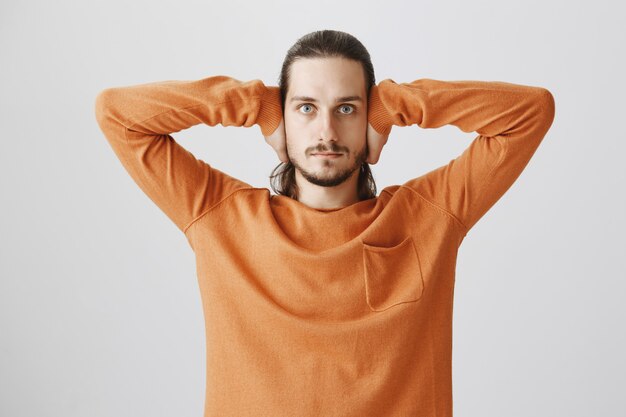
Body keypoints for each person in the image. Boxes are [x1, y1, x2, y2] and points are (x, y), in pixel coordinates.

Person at [94, 29, 555, 417]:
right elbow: (118, 114)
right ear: (285, 121)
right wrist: (254, 104)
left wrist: (396, 103)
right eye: (306, 108)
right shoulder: (219, 216)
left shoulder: (427, 216)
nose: (327, 132)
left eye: (348, 109)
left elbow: (530, 112)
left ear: (368, 121)